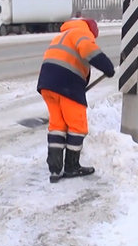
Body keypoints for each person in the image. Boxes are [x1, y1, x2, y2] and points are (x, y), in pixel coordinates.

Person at [36, 17, 115, 183]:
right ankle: (72, 167)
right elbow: (88, 50)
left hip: (47, 84)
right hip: (66, 84)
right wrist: (107, 67)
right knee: (77, 126)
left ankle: (55, 170)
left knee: (57, 125)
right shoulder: (81, 33)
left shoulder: (63, 35)